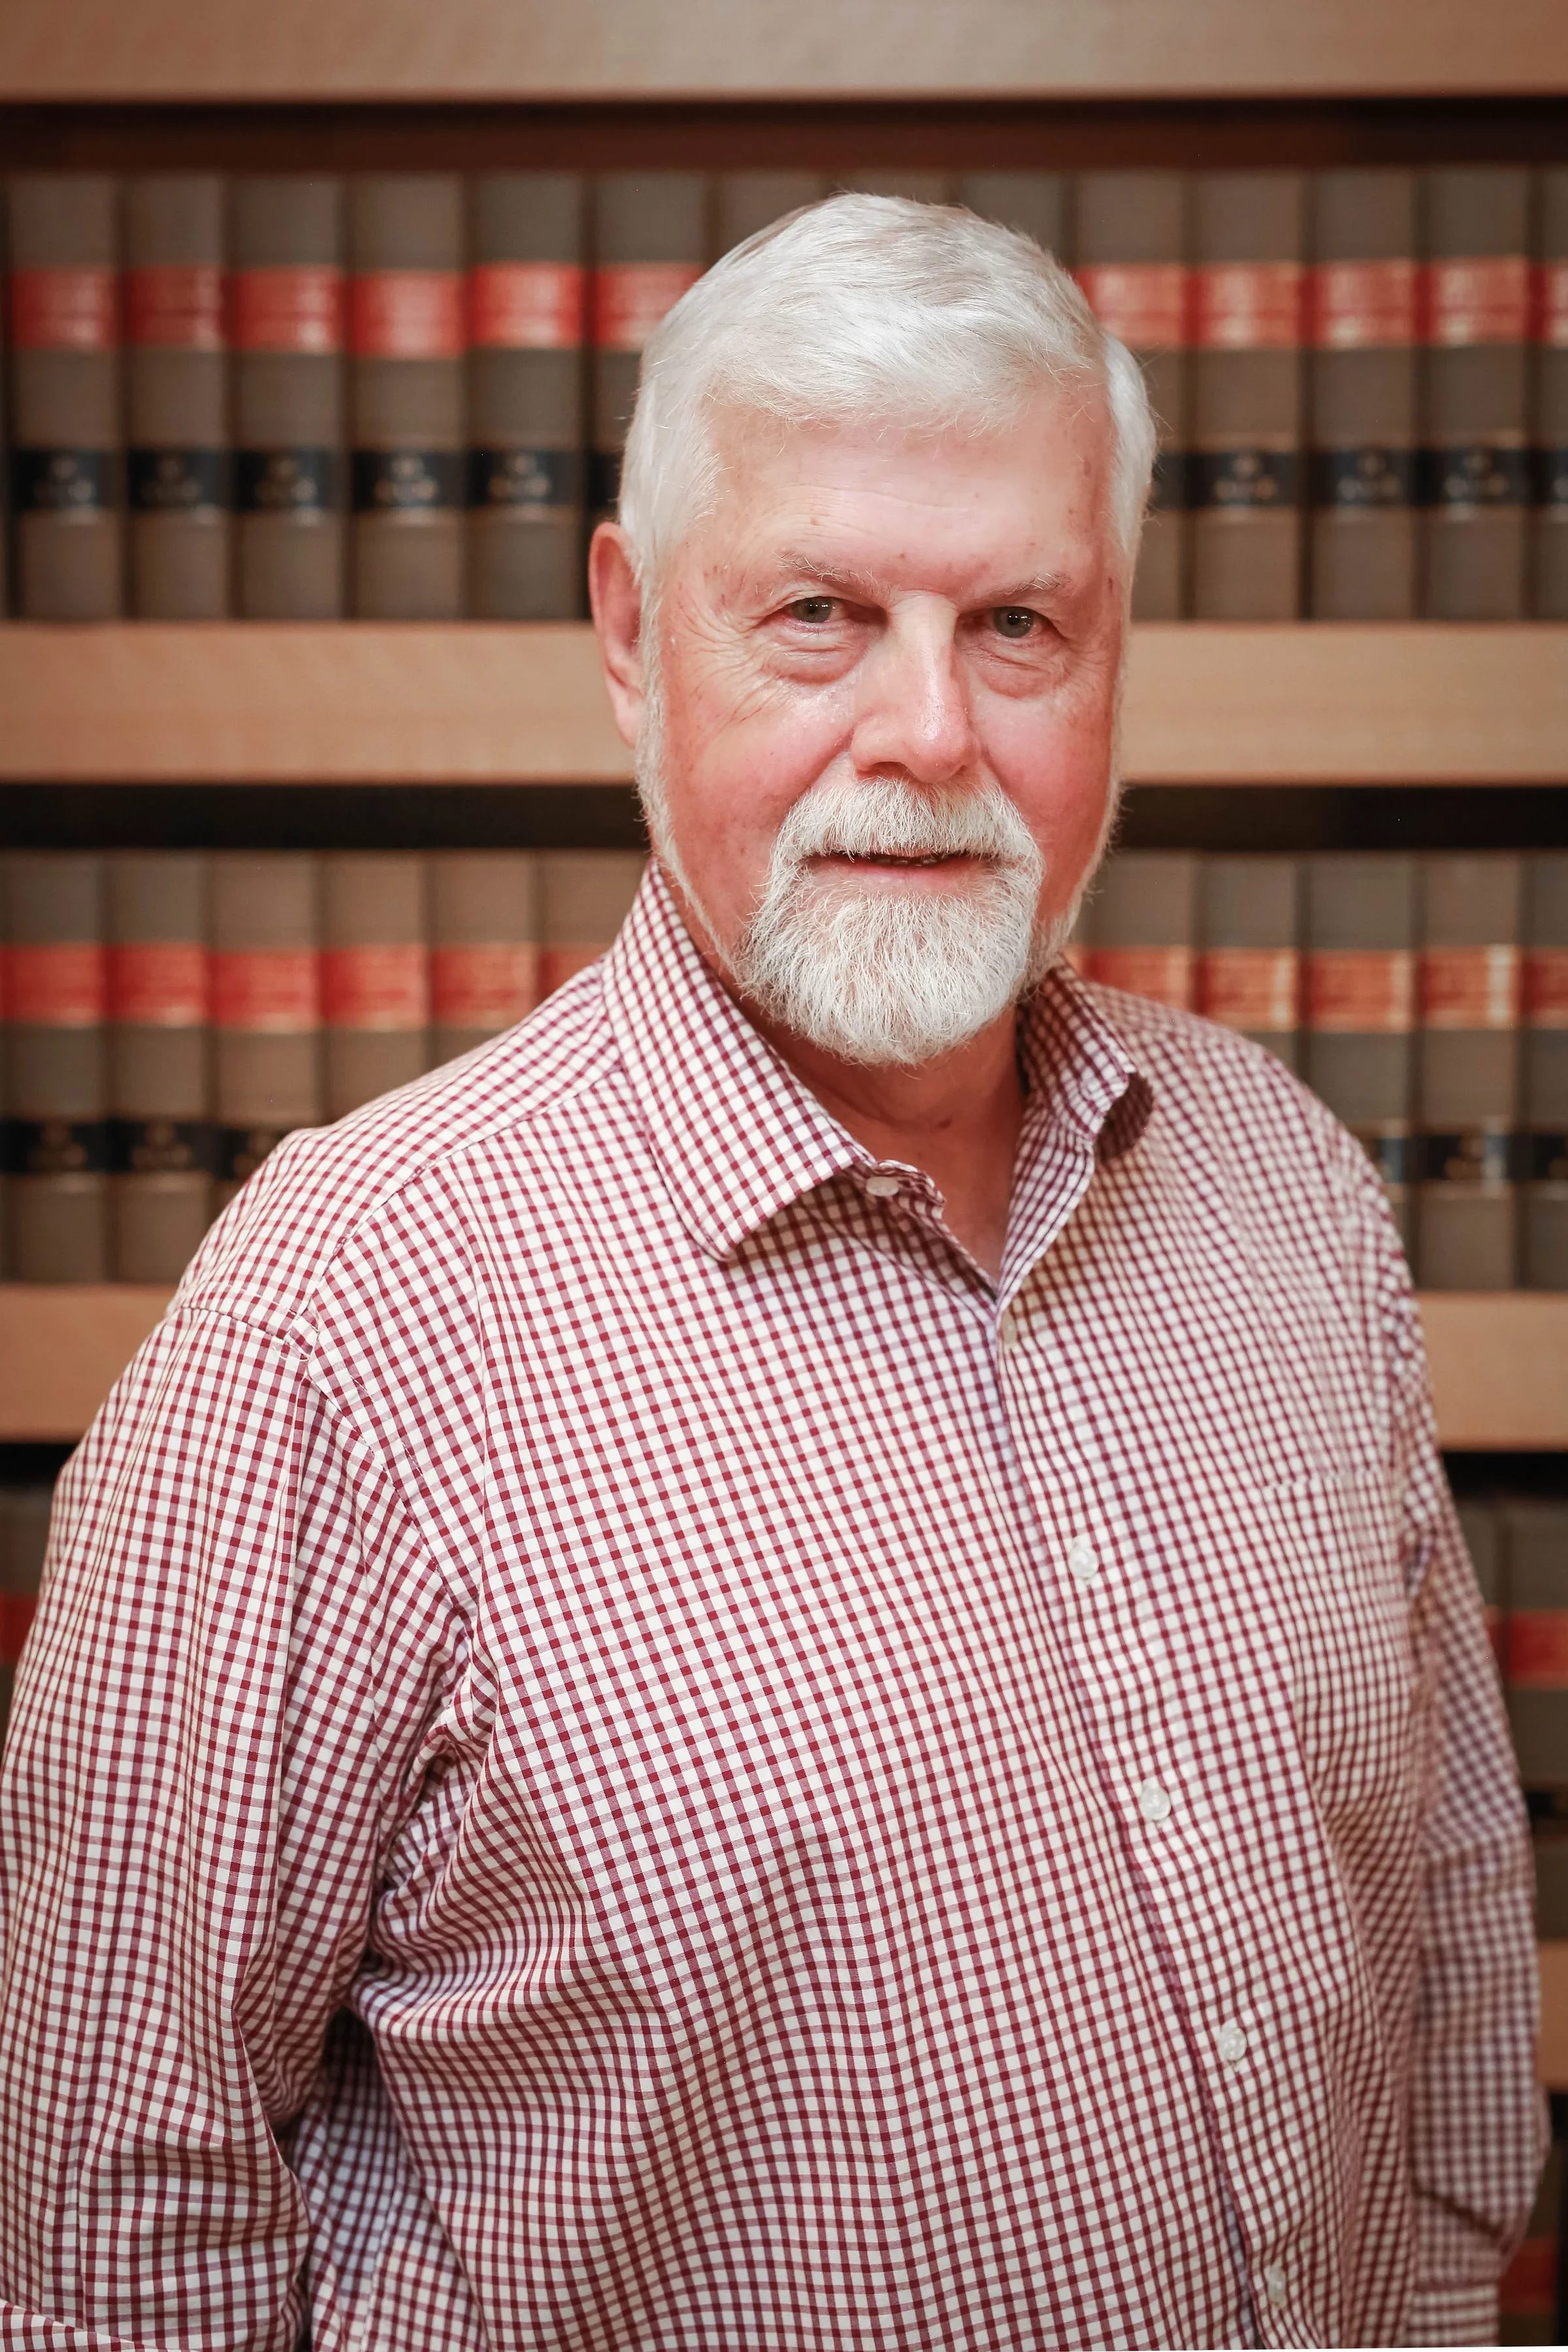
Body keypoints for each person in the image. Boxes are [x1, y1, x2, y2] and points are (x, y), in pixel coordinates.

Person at [0, 196, 1541, 2350]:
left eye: (1020, 626)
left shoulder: (1283, 1188)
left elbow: (1450, 1920)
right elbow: (113, 2224)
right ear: (631, 632)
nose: (928, 734)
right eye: (819, 613)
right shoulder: (331, 1330)